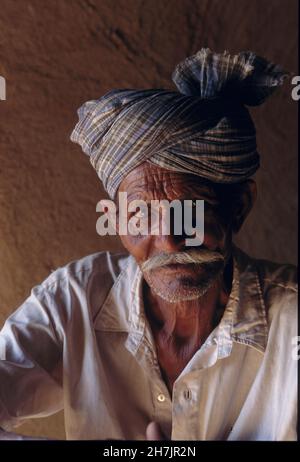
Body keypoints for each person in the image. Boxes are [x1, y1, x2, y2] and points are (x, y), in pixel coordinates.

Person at [0, 49, 297, 441]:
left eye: (191, 213)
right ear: (118, 219)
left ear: (238, 208)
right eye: (142, 217)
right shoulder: (73, 300)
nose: (170, 241)